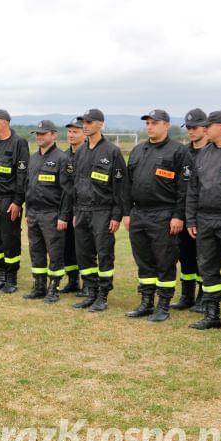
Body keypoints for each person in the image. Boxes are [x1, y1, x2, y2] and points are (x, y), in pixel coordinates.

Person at [123, 110, 191, 322]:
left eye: (155, 123)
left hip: (164, 213)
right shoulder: (137, 150)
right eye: (148, 123)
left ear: (167, 125)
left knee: (164, 261)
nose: (150, 127)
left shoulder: (178, 151)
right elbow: (127, 185)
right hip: (139, 213)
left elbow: (184, 187)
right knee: (144, 261)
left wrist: (178, 215)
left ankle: (163, 306)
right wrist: (127, 212)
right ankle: (146, 303)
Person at [71, 109, 126, 312]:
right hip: (83, 211)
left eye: (89, 122)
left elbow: (120, 188)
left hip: (103, 211)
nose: (85, 125)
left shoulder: (112, 151)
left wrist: (116, 215)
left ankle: (103, 296)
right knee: (84, 254)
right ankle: (90, 292)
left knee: (104, 254)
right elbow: (75, 184)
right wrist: (76, 211)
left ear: (100, 124)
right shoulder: (81, 152)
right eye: (83, 122)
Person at [186, 110, 221, 333]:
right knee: (208, 268)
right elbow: (193, 189)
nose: (204, 129)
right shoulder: (204, 153)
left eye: (208, 126)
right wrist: (191, 218)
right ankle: (211, 314)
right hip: (204, 219)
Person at [23, 120, 73, 303]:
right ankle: (39, 286)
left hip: (52, 214)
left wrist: (63, 216)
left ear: (53, 135)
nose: (39, 137)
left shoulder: (62, 158)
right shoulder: (33, 158)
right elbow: (29, 187)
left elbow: (67, 192)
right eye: (37, 134)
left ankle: (54, 287)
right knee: (36, 251)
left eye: (43, 134)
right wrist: (28, 212)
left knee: (55, 252)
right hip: (35, 213)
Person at [0, 109, 29, 294]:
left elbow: (22, 174)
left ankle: (11, 279)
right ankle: (1, 275)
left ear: (4, 122)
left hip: (8, 200)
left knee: (9, 239)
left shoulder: (18, 143)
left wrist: (18, 201)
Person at [171, 109, 208, 311]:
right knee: (185, 255)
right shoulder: (183, 152)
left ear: (205, 128)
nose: (191, 131)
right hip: (184, 213)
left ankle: (205, 296)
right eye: (188, 128)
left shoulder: (213, 151)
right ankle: (187, 295)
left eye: (195, 128)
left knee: (205, 257)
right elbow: (177, 184)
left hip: (205, 213)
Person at [59, 118, 86, 295]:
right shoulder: (63, 156)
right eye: (69, 131)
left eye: (75, 131)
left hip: (83, 209)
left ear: (85, 133)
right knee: (67, 246)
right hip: (64, 209)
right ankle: (73, 280)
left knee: (84, 248)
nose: (71, 134)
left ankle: (89, 284)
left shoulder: (89, 154)